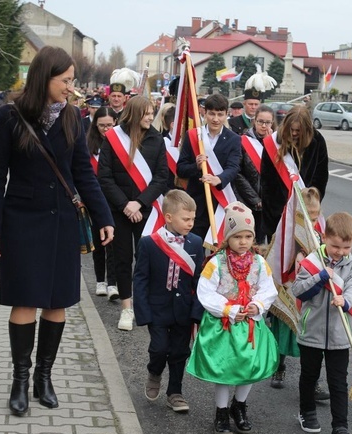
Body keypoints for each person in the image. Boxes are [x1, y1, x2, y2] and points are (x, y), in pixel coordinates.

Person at [0, 46, 115, 417]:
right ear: (45, 77)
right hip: (21, 221)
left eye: (73, 81)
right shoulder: (10, 116)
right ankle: (20, 381)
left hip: (61, 223)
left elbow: (83, 174)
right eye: (66, 81)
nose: (71, 87)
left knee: (57, 302)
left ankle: (44, 378)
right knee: (24, 300)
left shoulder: (74, 117)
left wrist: (104, 218)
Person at [186, 202, 279, 434]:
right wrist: (227, 309)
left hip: (248, 324)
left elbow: (268, 289)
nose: (244, 241)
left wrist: (256, 304)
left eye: (248, 236)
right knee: (225, 369)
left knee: (248, 367)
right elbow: (205, 291)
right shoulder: (216, 263)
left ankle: (240, 405)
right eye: (238, 236)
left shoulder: (259, 262)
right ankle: (221, 411)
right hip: (224, 326)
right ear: (228, 237)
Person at [292, 212, 352, 434]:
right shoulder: (312, 262)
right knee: (309, 375)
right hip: (311, 330)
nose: (340, 252)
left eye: (346, 247)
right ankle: (307, 411)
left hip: (340, 334)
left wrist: (346, 300)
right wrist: (320, 278)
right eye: (335, 246)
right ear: (324, 238)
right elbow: (299, 290)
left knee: (337, 381)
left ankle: (340, 428)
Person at [99, 96, 169, 331]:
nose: (151, 116)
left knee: (145, 259)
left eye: (153, 112)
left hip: (146, 210)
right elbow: (105, 177)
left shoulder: (157, 139)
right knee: (122, 259)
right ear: (135, 113)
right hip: (119, 211)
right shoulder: (113, 138)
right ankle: (126, 309)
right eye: (147, 113)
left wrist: (138, 203)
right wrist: (125, 205)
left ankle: (143, 304)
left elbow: (161, 178)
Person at [133, 190, 204, 413]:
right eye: (186, 219)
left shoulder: (195, 243)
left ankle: (175, 392)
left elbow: (199, 281)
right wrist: (143, 312)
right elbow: (141, 280)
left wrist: (197, 311)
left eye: (193, 218)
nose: (191, 223)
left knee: (179, 352)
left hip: (183, 310)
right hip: (157, 310)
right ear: (169, 217)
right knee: (159, 348)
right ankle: (154, 372)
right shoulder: (149, 243)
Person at [270, 186, 330, 402]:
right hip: (290, 289)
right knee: (285, 334)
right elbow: (281, 260)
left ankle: (312, 382)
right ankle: (278, 367)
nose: (313, 220)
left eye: (317, 215)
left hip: (312, 291)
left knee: (311, 338)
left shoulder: (320, 233)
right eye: (309, 215)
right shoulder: (288, 232)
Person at [176, 94, 241, 241]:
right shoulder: (193, 135)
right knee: (194, 248)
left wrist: (219, 179)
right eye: (212, 114)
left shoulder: (234, 139)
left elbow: (233, 167)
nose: (215, 119)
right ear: (205, 113)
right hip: (196, 203)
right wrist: (196, 166)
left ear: (226, 115)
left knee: (217, 251)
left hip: (220, 202)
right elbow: (180, 169)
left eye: (220, 114)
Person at [260, 105, 329, 239]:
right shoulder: (274, 142)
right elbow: (266, 181)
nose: (294, 133)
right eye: (291, 130)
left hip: (305, 211)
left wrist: (312, 204)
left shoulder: (317, 141)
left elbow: (321, 177)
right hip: (278, 214)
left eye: (299, 130)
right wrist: (275, 212)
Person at [87, 107, 120, 300]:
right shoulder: (88, 144)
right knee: (98, 241)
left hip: (113, 198)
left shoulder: (121, 142)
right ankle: (100, 280)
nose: (106, 129)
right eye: (101, 126)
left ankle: (113, 283)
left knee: (114, 243)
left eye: (109, 125)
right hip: (94, 199)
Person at [233, 104, 273, 244]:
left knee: (264, 244)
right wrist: (255, 199)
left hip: (269, 202)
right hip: (247, 201)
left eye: (267, 122)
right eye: (260, 121)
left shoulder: (277, 144)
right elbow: (237, 174)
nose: (263, 125)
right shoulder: (242, 141)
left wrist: (272, 146)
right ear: (254, 121)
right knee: (248, 242)